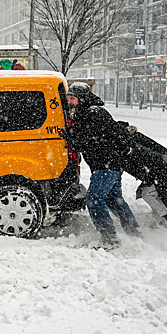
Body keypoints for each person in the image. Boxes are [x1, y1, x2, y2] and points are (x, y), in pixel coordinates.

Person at [65, 82, 141, 249]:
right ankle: (134, 233)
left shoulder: (93, 113)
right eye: (68, 98)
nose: (69, 102)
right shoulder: (86, 112)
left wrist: (69, 136)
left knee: (94, 199)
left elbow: (85, 141)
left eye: (73, 99)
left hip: (106, 165)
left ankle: (109, 239)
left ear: (82, 99)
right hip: (110, 164)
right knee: (114, 200)